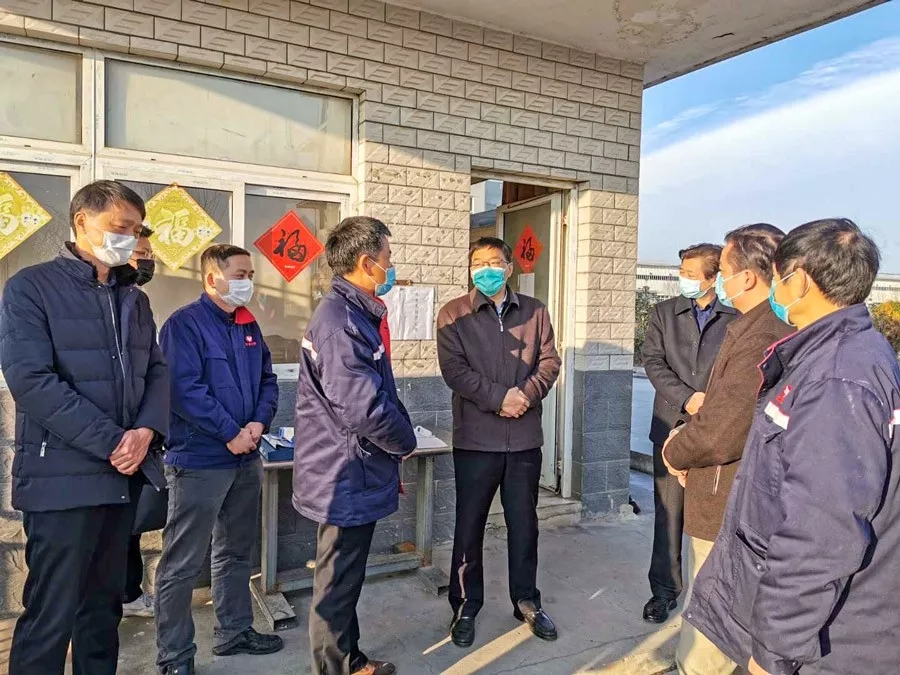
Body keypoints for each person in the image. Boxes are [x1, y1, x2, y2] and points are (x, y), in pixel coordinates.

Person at [686, 218, 900, 675]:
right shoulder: (843, 354)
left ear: (799, 281)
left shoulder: (836, 377)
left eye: (780, 275)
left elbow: (821, 532)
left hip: (833, 640)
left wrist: (773, 651)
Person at [1, 180, 169, 674]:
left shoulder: (132, 298)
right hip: (62, 481)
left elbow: (157, 371)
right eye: (121, 227)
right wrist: (114, 441)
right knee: (50, 615)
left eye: (136, 230)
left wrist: (146, 431)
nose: (130, 238)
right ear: (81, 221)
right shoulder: (31, 288)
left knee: (102, 611)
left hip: (121, 479)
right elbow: (31, 381)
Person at [660, 225, 792, 675]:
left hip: (726, 495)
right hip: (728, 484)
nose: (719, 282)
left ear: (747, 277)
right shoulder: (757, 324)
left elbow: (722, 429)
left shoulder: (762, 333)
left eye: (723, 272)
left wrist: (677, 451)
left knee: (711, 610)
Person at [293, 216, 416, 675]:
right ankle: (336, 668)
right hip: (344, 472)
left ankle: (350, 658)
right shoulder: (341, 322)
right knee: (337, 582)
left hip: (348, 467)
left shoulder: (352, 313)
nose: (392, 265)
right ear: (367, 263)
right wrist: (404, 442)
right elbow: (363, 408)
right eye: (388, 257)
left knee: (343, 578)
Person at [154, 245, 282, 675]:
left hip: (245, 457)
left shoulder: (248, 325)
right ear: (213, 278)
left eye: (251, 274)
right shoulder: (184, 325)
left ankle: (234, 631)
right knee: (182, 564)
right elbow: (183, 390)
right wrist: (230, 433)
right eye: (241, 274)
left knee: (235, 552)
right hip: (199, 460)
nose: (249, 282)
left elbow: (267, 379)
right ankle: (175, 657)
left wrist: (258, 424)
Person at [436, 237, 561, 648]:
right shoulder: (454, 313)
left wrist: (524, 395)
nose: (485, 269)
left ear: (509, 268)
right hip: (476, 440)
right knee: (468, 526)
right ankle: (465, 607)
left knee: (524, 525)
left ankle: (526, 601)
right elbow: (455, 371)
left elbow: (549, 361)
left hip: (524, 440)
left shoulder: (535, 311)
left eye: (493, 262)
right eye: (478, 262)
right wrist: (499, 398)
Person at [640, 243, 737, 623]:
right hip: (670, 425)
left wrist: (710, 406)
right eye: (682, 271)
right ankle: (663, 592)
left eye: (691, 274)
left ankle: (711, 597)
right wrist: (687, 398)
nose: (684, 279)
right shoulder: (665, 313)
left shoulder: (736, 318)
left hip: (717, 432)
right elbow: (653, 361)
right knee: (668, 515)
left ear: (713, 278)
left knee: (715, 518)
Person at [123, 225, 160, 619]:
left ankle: (129, 594)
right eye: (141, 254)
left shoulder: (139, 303)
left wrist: (147, 429)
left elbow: (154, 370)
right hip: (101, 443)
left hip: (137, 438)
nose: (148, 262)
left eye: (150, 255)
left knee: (129, 526)